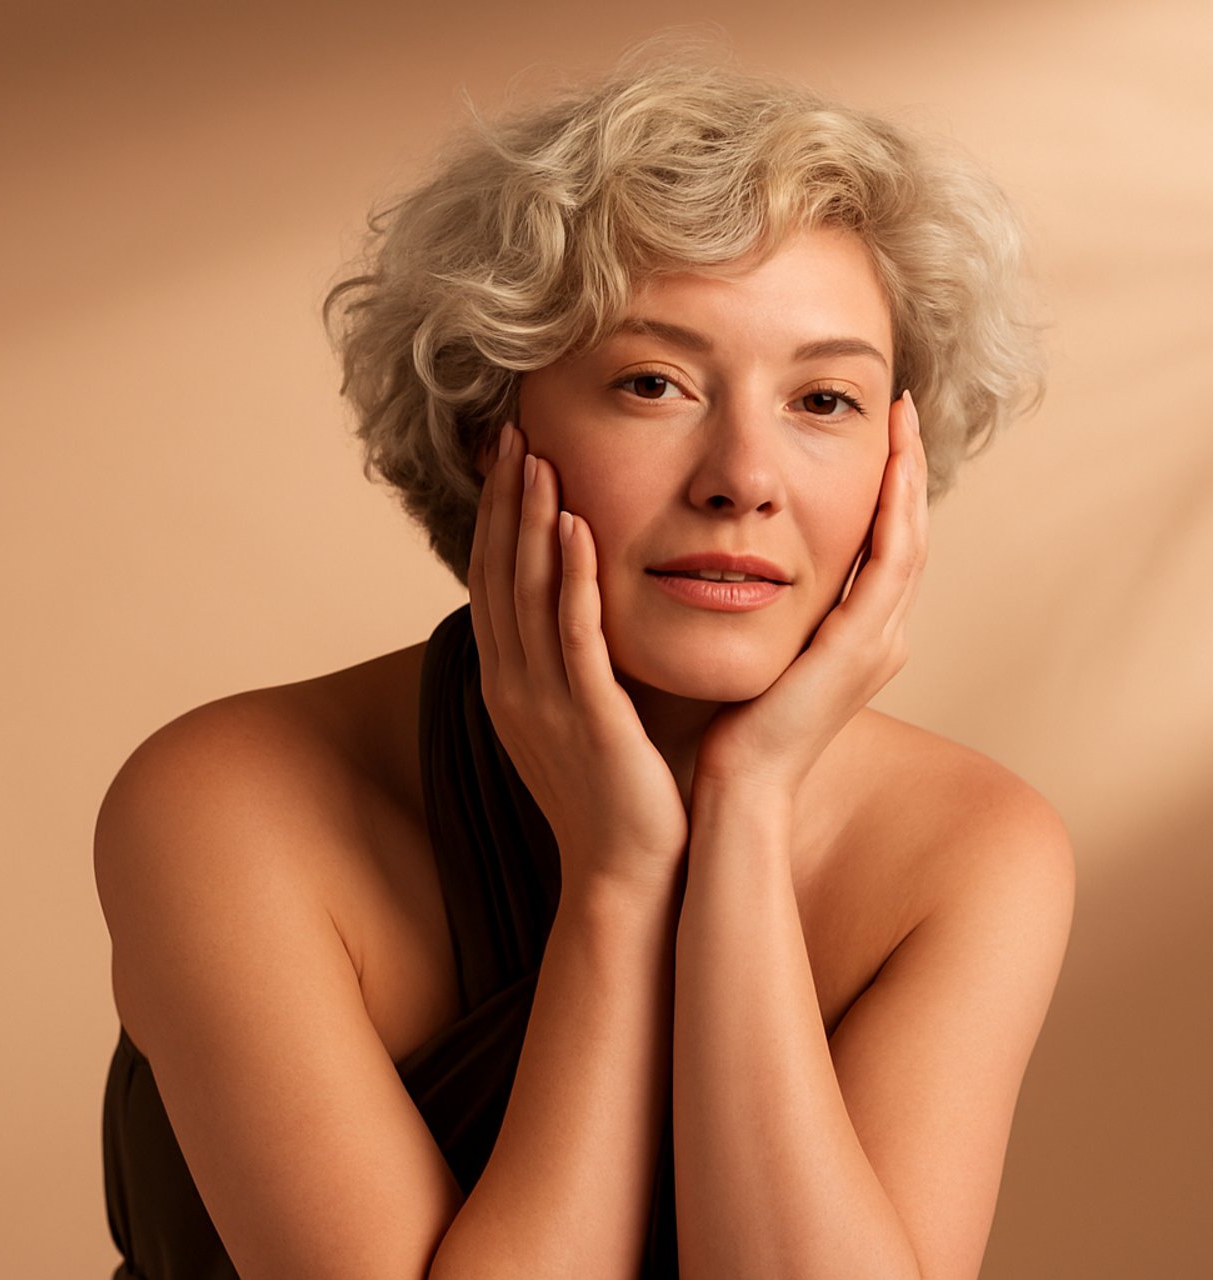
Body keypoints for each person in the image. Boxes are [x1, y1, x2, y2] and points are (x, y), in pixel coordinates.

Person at [96, 45, 1074, 1280]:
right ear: (488, 425)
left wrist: (747, 807)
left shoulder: (972, 850)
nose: (745, 479)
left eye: (824, 401)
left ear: (902, 462)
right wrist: (619, 875)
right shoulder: (227, 800)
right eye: (653, 381)